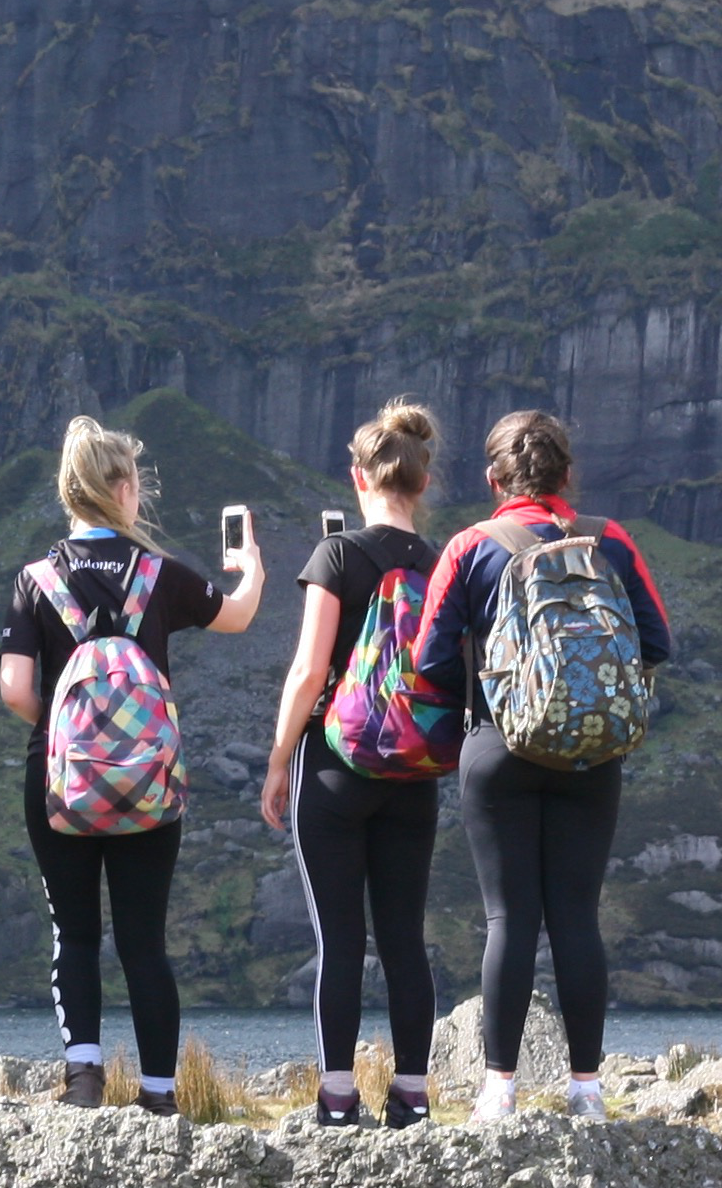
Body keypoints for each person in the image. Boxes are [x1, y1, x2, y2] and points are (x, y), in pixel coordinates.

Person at [0, 415, 265, 1116]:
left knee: (75, 933)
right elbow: (236, 617)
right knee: (145, 940)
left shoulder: (34, 580)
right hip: (148, 782)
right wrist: (252, 569)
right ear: (119, 488)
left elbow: (15, 690)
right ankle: (158, 1094)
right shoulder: (159, 573)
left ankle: (83, 1079)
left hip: (59, 784)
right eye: (137, 481)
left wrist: (68, 734)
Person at [410, 410, 671, 1122]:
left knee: (509, 917)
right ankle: (585, 1088)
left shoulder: (470, 547)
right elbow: (656, 639)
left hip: (499, 746)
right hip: (593, 752)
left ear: (495, 480)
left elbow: (427, 660)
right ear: (568, 476)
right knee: (577, 917)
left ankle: (499, 1088)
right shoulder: (612, 541)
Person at [256, 399, 446, 1129]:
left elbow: (308, 672)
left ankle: (338, 1098)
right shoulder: (443, 563)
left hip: (335, 765)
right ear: (423, 483)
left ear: (357, 477)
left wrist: (278, 760)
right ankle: (414, 1096)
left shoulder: (337, 556)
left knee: (339, 937)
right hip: (415, 772)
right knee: (404, 936)